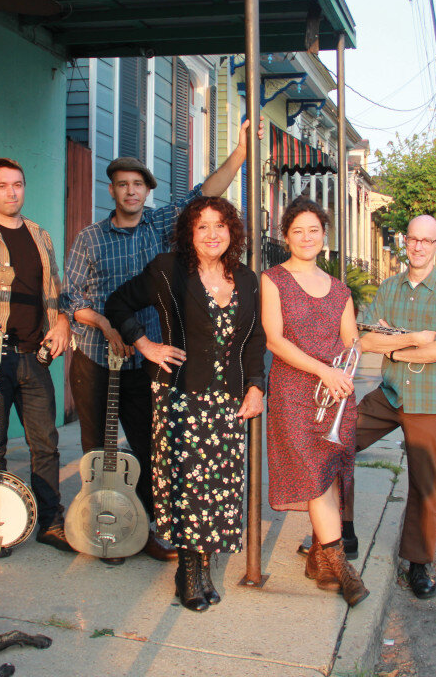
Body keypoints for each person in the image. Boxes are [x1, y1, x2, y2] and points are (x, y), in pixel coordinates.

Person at [62, 122, 256, 563]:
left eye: (137, 185)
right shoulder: (90, 238)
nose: (130, 192)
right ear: (111, 191)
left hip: (149, 365)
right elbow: (72, 298)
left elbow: (204, 194)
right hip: (98, 358)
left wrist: (241, 152)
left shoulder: (160, 226)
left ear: (147, 191)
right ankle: (101, 526)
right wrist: (105, 325)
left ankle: (145, 527)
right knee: (97, 452)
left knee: (152, 451)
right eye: (121, 185)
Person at [104, 197, 266, 612]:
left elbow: (254, 342)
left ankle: (203, 568)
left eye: (220, 226)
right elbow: (118, 303)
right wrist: (145, 344)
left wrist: (256, 386)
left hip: (228, 399)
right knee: (189, 486)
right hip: (182, 396)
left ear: (232, 232)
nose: (212, 234)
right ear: (189, 234)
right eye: (202, 227)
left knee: (219, 489)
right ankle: (189, 573)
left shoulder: (248, 280)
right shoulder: (168, 269)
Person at [351, 215, 436, 600]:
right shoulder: (389, 287)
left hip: (434, 401)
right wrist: (414, 340)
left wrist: (393, 341)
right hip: (390, 394)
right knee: (337, 442)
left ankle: (418, 563)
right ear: (406, 242)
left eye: (427, 240)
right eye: (413, 239)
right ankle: (341, 533)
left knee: (425, 484)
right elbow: (364, 341)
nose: (418, 247)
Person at [0, 158, 72, 554]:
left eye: (18, 184)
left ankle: (50, 522)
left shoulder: (41, 236)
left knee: (46, 444)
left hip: (33, 357)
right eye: (3, 185)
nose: (11, 192)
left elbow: (57, 291)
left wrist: (62, 325)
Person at [261, 197, 368, 606]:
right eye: (297, 231)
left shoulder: (340, 289)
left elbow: (351, 340)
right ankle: (343, 567)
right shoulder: (273, 279)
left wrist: (346, 368)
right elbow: (275, 339)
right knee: (313, 474)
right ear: (286, 237)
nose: (306, 237)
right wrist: (324, 370)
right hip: (294, 390)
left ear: (325, 236)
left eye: (314, 230)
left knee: (330, 473)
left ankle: (320, 561)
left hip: (336, 392)